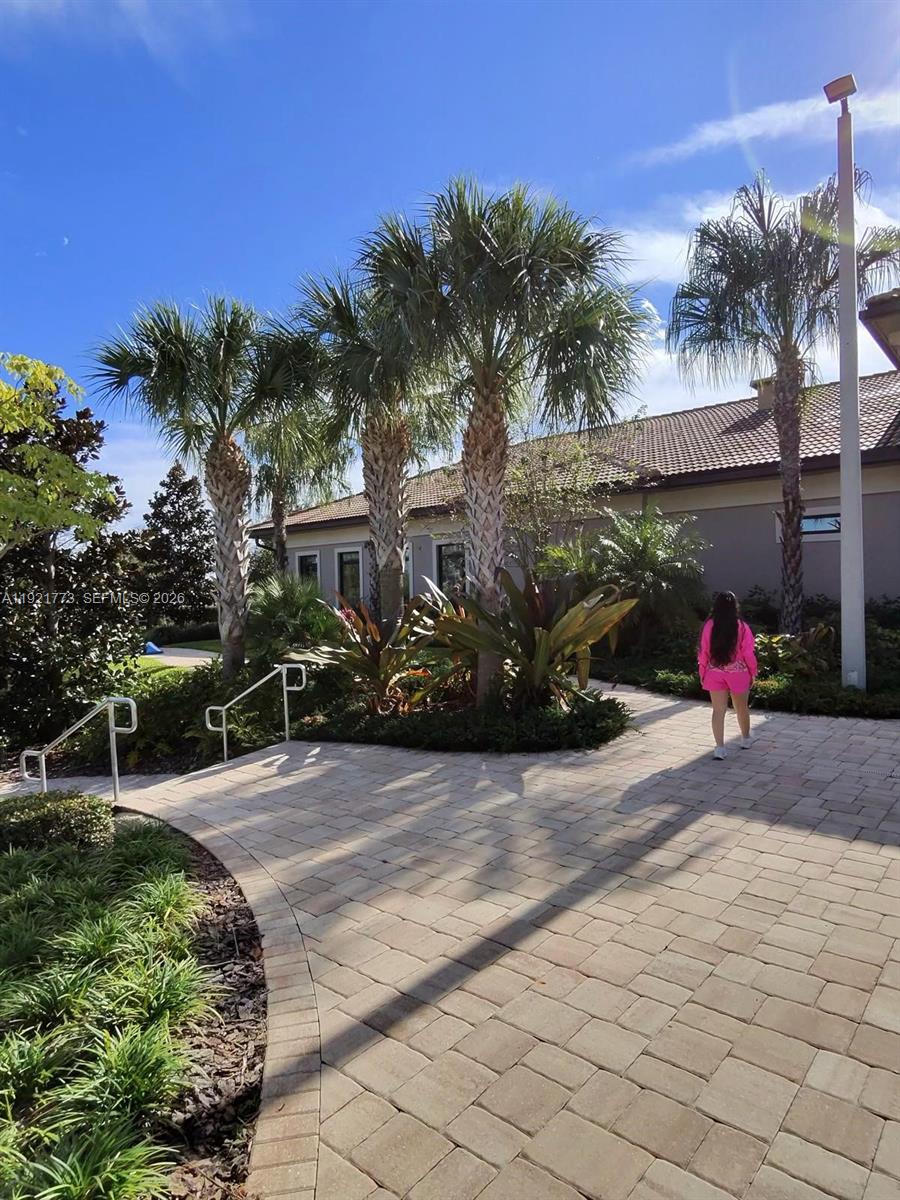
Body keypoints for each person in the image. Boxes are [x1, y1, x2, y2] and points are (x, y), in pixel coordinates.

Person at [697, 591, 757, 760]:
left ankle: (720, 748)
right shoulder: (741, 626)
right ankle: (745, 739)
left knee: (718, 710)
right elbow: (748, 653)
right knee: (741, 707)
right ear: (735, 606)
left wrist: (702, 671)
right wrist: (753, 671)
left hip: (714, 672)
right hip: (739, 673)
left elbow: (703, 651)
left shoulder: (709, 625)